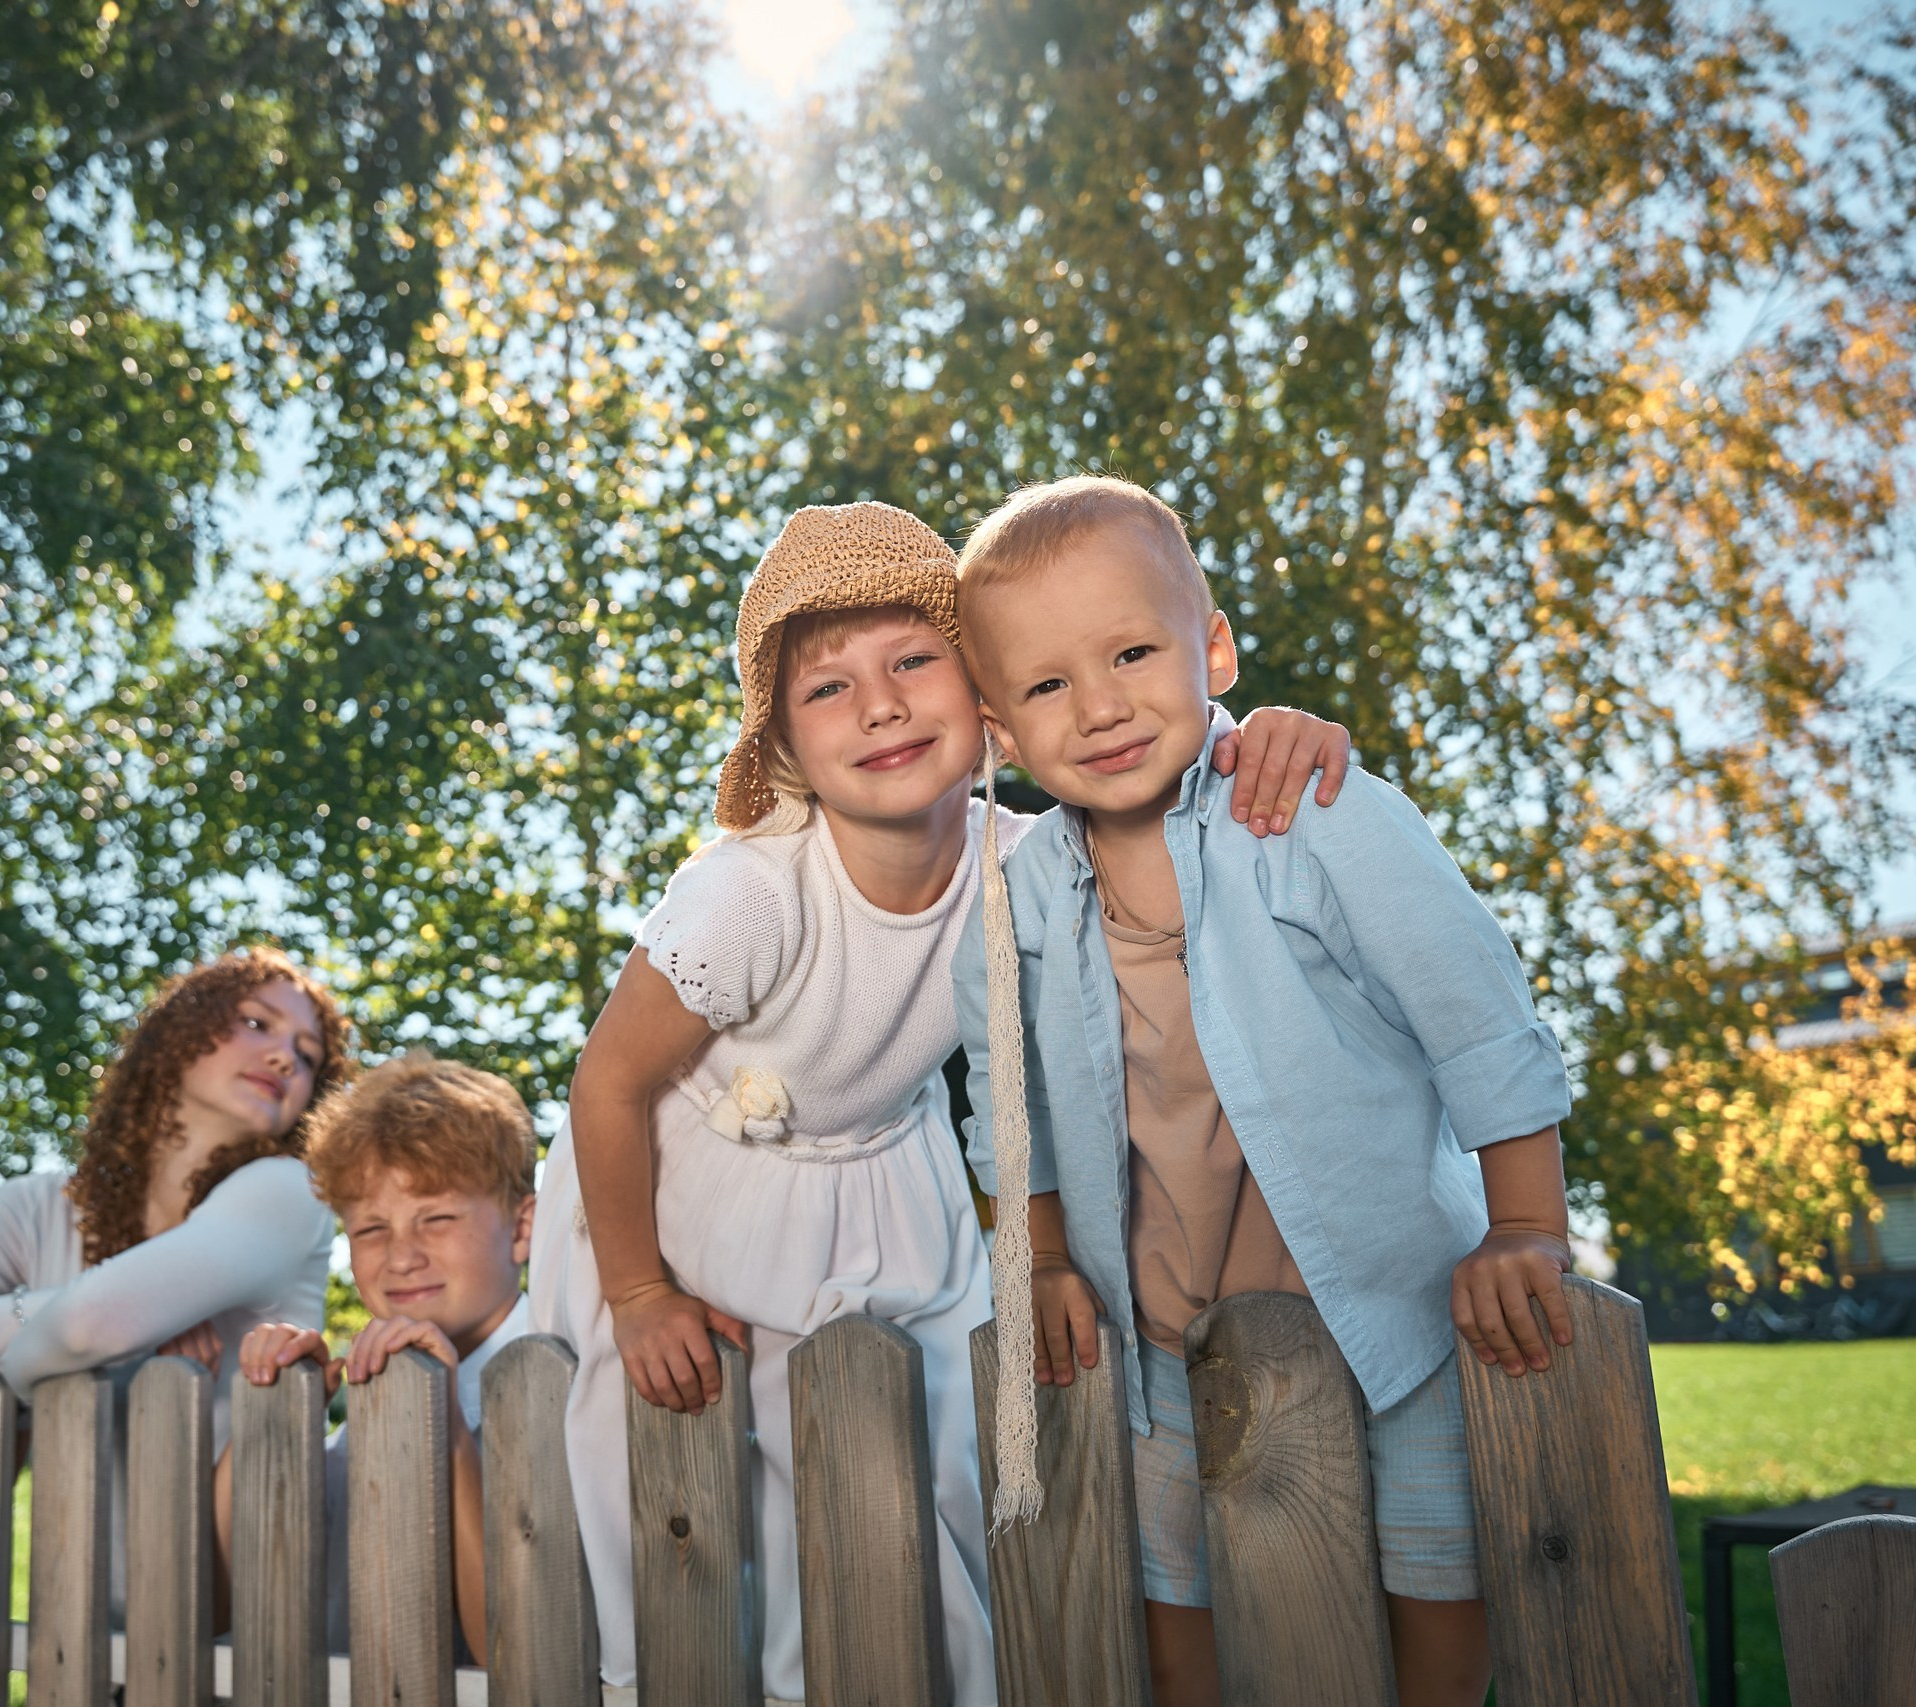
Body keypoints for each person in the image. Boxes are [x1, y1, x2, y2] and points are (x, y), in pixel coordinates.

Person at [529, 500, 1355, 1705]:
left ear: (985, 704)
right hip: (680, 1185)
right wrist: (640, 1290)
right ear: (786, 750)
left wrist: (1265, 735)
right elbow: (606, 1082)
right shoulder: (752, 897)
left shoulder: (1025, 858)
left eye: (913, 661)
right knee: (664, 1491)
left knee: (938, 1494)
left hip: (886, 1178)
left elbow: (1170, 797)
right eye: (828, 689)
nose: (879, 705)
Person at [950, 475, 1578, 1707]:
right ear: (1000, 733)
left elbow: (1475, 1012)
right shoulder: (1015, 901)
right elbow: (1001, 1102)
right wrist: (1038, 1260)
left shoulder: (1305, 813)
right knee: (1183, 1630)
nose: (1101, 705)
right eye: (1046, 684)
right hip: (1164, 1342)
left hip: (1397, 1317)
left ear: (1214, 648)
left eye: (1132, 650)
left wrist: (1524, 1226)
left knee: (1432, 1614)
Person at [0, 946, 348, 1589]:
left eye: (308, 1055)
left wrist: (8, 1377)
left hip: (249, 1636)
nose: (286, 1056)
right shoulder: (36, 1209)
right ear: (177, 1035)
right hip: (73, 1645)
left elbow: (94, 1322)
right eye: (257, 1023)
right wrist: (58, 1317)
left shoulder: (288, 1192)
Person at [218, 1051, 537, 1662]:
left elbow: (519, 1660)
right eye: (369, 1229)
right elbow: (212, 1607)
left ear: (522, 1230)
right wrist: (276, 1415)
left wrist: (446, 1436)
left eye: (436, 1217)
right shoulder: (361, 1410)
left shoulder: (571, 1393)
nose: (401, 1256)